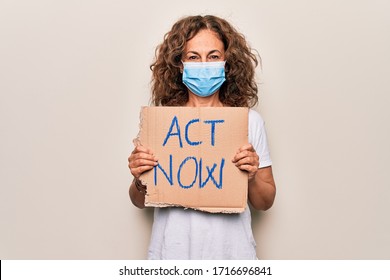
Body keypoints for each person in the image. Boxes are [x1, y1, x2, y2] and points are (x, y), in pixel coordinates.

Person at [128, 15, 276, 260]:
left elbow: (265, 202)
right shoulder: (161, 123)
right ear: (180, 64)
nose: (204, 64)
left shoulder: (249, 122)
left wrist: (250, 177)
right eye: (194, 57)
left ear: (227, 63)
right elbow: (139, 201)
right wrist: (139, 178)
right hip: (172, 255)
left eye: (214, 56)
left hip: (232, 256)